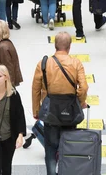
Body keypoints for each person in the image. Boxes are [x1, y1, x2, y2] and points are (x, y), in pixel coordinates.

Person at [31, 32, 88, 175]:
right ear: (69, 46)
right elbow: (84, 87)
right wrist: (80, 102)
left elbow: (35, 89)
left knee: (50, 148)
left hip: (51, 112)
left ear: (55, 45)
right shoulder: (76, 63)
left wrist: (36, 110)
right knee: (68, 146)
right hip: (70, 111)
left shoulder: (43, 63)